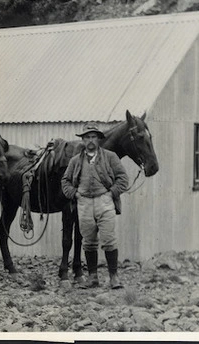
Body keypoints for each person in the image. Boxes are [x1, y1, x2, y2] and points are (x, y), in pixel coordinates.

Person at [61, 122, 129, 289]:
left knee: (109, 239)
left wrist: (111, 193)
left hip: (104, 202)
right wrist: (74, 194)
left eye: (93, 137)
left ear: (99, 139)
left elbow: (123, 179)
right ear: (82, 140)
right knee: (89, 241)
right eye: (87, 137)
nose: (90, 140)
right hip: (83, 203)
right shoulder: (76, 161)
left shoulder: (110, 157)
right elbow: (65, 181)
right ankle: (93, 277)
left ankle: (114, 277)